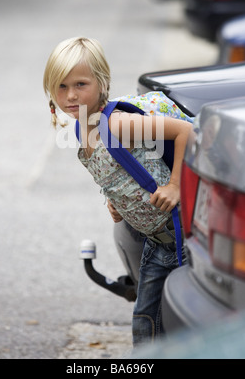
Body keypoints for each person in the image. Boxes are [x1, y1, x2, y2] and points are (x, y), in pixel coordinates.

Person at [43, 37, 192, 347]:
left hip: (181, 240)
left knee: (186, 327)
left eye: (80, 84)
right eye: (61, 86)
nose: (70, 95)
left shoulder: (120, 125)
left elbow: (186, 133)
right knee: (146, 326)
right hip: (155, 244)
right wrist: (115, 202)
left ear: (102, 82)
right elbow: (118, 170)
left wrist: (175, 185)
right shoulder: (82, 131)